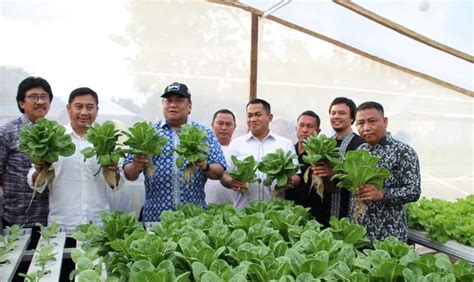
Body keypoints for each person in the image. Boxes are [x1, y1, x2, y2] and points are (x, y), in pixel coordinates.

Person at [123, 82, 226, 222]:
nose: (172, 105)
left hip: (194, 218)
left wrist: (205, 165)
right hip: (155, 217)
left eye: (179, 100)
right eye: (168, 101)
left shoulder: (204, 133)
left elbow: (219, 171)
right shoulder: (149, 132)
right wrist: (136, 165)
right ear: (163, 105)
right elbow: (129, 174)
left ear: (189, 106)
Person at [27, 87, 122, 233]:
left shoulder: (106, 141)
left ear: (97, 110)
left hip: (97, 225)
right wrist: (40, 170)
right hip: (62, 226)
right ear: (68, 108)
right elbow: (36, 185)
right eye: (79, 106)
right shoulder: (54, 138)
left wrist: (114, 172)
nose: (84, 112)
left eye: (90, 107)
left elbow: (116, 185)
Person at [354, 101, 420, 242]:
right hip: (360, 233)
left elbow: (414, 191)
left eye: (372, 121)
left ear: (385, 122)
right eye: (360, 123)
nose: (366, 128)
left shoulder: (404, 152)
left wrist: (382, 194)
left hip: (389, 235)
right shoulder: (360, 151)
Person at [221, 98, 300, 209]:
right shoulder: (235, 144)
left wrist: (289, 182)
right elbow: (224, 175)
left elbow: (296, 175)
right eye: (249, 115)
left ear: (270, 117)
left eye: (258, 115)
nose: (253, 119)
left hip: (275, 211)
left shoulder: (285, 144)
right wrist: (231, 182)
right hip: (243, 212)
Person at [0, 77, 53, 231]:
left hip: (49, 220)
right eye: (33, 97)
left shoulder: (54, 133)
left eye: (44, 97)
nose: (40, 101)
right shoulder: (7, 132)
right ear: (21, 103)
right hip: (17, 218)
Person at [313, 97, 364, 226]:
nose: (336, 116)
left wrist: (333, 173)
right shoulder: (326, 143)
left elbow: (359, 182)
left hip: (349, 212)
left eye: (342, 113)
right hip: (325, 211)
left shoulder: (360, 144)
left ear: (352, 118)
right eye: (333, 113)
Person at [285, 111, 329, 224]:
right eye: (301, 125)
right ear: (296, 128)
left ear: (318, 131)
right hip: (289, 213)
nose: (304, 130)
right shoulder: (288, 152)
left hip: (315, 215)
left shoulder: (323, 156)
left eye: (310, 126)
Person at [204, 109, 238, 204]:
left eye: (228, 124)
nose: (224, 128)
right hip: (205, 206)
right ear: (212, 125)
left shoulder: (238, 150)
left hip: (234, 208)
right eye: (220, 123)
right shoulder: (203, 149)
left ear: (234, 127)